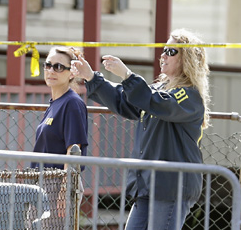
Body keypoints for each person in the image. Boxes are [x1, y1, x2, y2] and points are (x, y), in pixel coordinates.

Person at [71, 28, 211, 230]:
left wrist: (127, 75)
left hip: (171, 186)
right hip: (148, 184)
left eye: (171, 52)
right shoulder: (158, 90)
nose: (162, 55)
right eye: (164, 49)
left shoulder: (189, 96)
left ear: (186, 59)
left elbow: (157, 102)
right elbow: (123, 100)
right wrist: (92, 77)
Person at [30, 46, 88, 227]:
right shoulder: (56, 102)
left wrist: (65, 188)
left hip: (58, 184)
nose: (51, 71)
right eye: (48, 65)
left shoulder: (72, 103)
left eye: (59, 67)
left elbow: (73, 148)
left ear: (72, 73)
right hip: (43, 184)